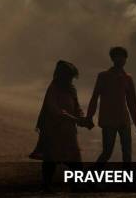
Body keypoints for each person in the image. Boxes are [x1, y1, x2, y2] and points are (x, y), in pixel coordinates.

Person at [30, 60, 92, 192]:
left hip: (68, 130)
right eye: (68, 77)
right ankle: (46, 186)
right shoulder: (53, 88)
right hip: (53, 129)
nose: (70, 80)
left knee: (74, 158)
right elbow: (54, 110)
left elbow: (76, 107)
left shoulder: (72, 89)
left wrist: (82, 118)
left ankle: (75, 185)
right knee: (51, 159)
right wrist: (75, 119)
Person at [87, 47, 136, 164]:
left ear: (126, 59)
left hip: (124, 120)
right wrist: (89, 116)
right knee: (107, 152)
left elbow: (132, 103)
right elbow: (95, 97)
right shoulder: (103, 76)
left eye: (123, 56)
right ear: (113, 58)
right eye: (118, 56)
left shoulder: (128, 78)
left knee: (127, 153)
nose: (121, 59)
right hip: (108, 120)